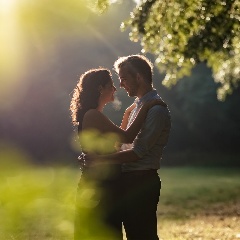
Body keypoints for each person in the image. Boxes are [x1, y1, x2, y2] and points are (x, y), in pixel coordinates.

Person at [70, 67, 164, 240]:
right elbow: (127, 137)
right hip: (99, 186)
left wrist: (129, 112)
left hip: (105, 184)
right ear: (100, 88)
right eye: (111, 85)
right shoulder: (93, 115)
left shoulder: (94, 114)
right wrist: (147, 107)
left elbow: (117, 140)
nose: (115, 89)